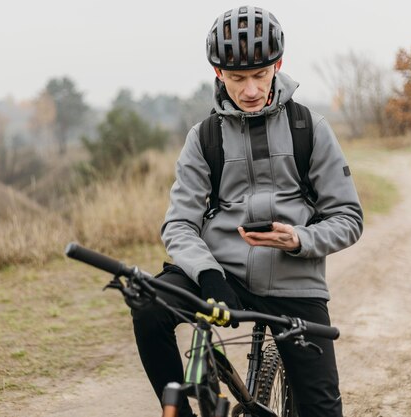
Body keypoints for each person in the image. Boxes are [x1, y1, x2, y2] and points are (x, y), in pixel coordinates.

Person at [132, 5, 363, 417]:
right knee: (150, 308)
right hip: (222, 274)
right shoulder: (203, 138)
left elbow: (348, 217)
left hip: (295, 285)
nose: (251, 89)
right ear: (218, 74)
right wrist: (208, 275)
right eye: (238, 78)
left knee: (323, 412)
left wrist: (299, 239)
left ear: (278, 65)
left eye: (259, 75)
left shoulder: (309, 128)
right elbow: (180, 223)